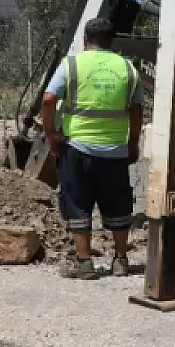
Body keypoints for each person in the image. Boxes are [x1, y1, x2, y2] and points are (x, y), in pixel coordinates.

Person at [40, 17, 144, 280]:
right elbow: (136, 110)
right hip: (115, 151)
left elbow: (49, 99)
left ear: (86, 40)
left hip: (78, 148)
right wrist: (132, 143)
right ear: (112, 41)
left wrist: (51, 135)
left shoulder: (72, 64)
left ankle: (85, 262)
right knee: (118, 204)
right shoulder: (128, 68)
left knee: (77, 203)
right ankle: (120, 260)